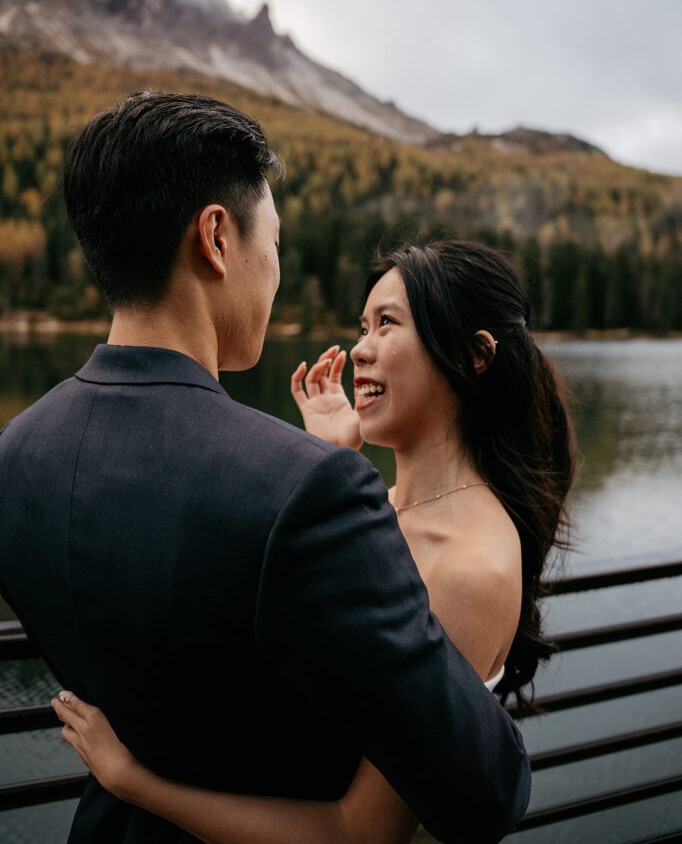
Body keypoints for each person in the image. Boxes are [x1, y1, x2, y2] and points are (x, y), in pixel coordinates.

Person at [0, 94, 530, 844]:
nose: (275, 272)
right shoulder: (307, 489)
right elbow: (488, 793)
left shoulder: (14, 456)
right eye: (273, 242)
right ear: (216, 238)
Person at [53, 236, 576, 843]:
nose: (361, 349)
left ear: (474, 354)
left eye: (387, 324)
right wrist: (331, 460)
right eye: (362, 326)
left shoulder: (469, 567)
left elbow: (359, 832)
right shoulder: (379, 508)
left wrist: (132, 781)